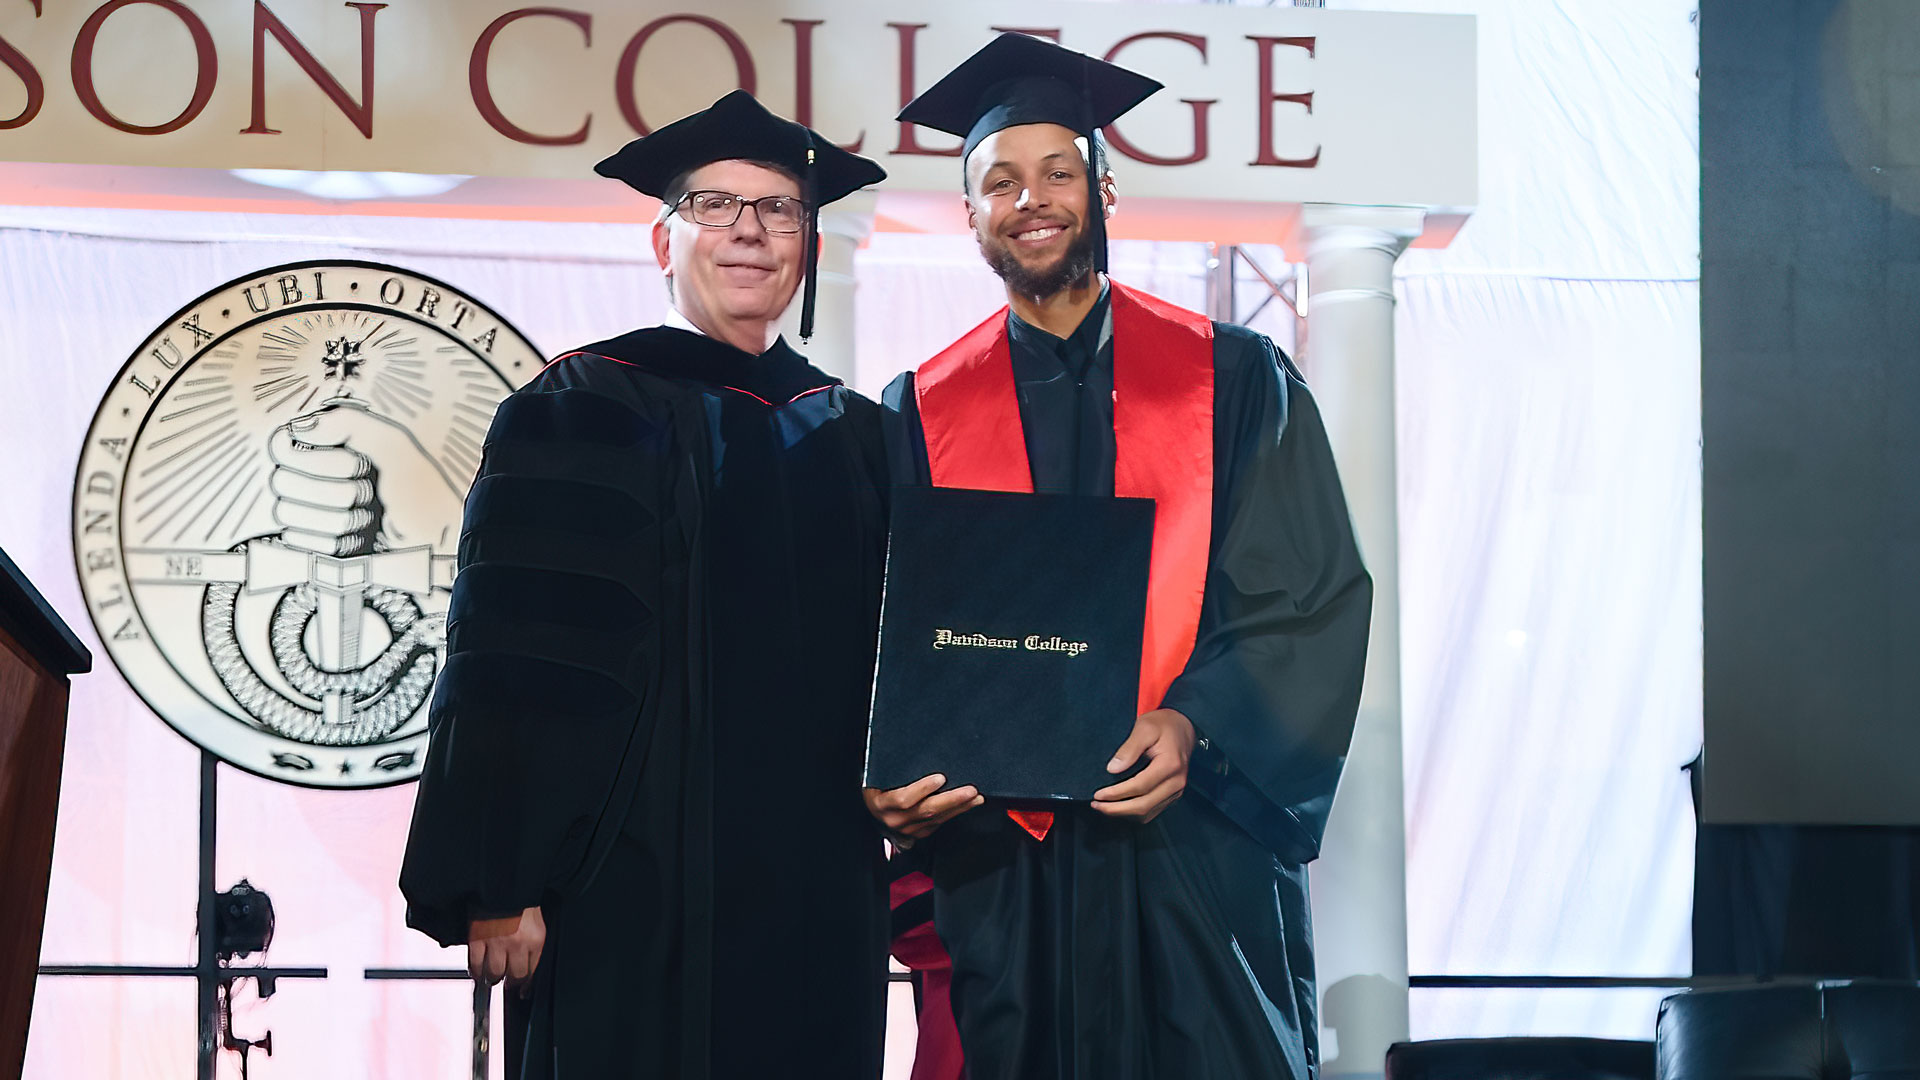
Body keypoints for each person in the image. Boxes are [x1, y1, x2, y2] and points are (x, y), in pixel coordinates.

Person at [866, 33, 1374, 1080]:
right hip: (1006, 874)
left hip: (1191, 855)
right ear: (970, 216)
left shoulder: (1236, 381)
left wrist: (1194, 725)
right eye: (1000, 181)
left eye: (1059, 172)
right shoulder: (918, 413)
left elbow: (1308, 601)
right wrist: (889, 772)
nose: (1032, 198)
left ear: (1105, 188)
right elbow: (886, 626)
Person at [399, 90, 891, 1079]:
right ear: (661, 241)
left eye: (779, 209)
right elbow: (509, 656)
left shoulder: (859, 436)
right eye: (714, 205)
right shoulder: (576, 406)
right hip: (630, 883)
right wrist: (502, 876)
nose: (748, 232)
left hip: (816, 888)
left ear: (806, 245)